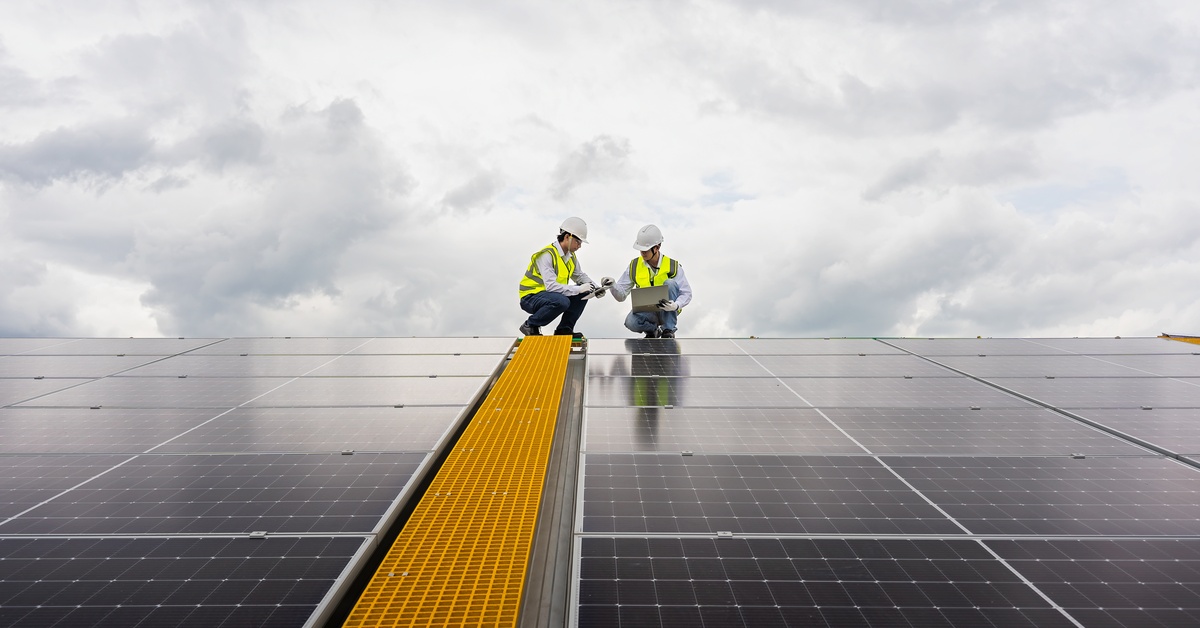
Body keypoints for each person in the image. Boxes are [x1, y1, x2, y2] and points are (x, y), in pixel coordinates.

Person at [518, 217, 614, 337]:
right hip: (530, 297)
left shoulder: (571, 257)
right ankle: (530, 325)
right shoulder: (547, 255)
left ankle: (564, 330)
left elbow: (580, 276)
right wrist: (579, 289)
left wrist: (596, 288)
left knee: (584, 292)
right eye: (578, 242)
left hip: (551, 296)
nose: (579, 246)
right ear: (567, 236)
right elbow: (551, 286)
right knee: (562, 301)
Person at [610, 224, 693, 338]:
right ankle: (653, 331)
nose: (642, 253)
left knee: (670, 283)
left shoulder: (673, 266)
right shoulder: (634, 266)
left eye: (646, 249)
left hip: (668, 311)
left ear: (657, 247)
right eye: (641, 249)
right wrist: (612, 285)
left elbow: (687, 293)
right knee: (631, 322)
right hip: (648, 313)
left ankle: (668, 330)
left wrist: (676, 305)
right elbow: (621, 296)